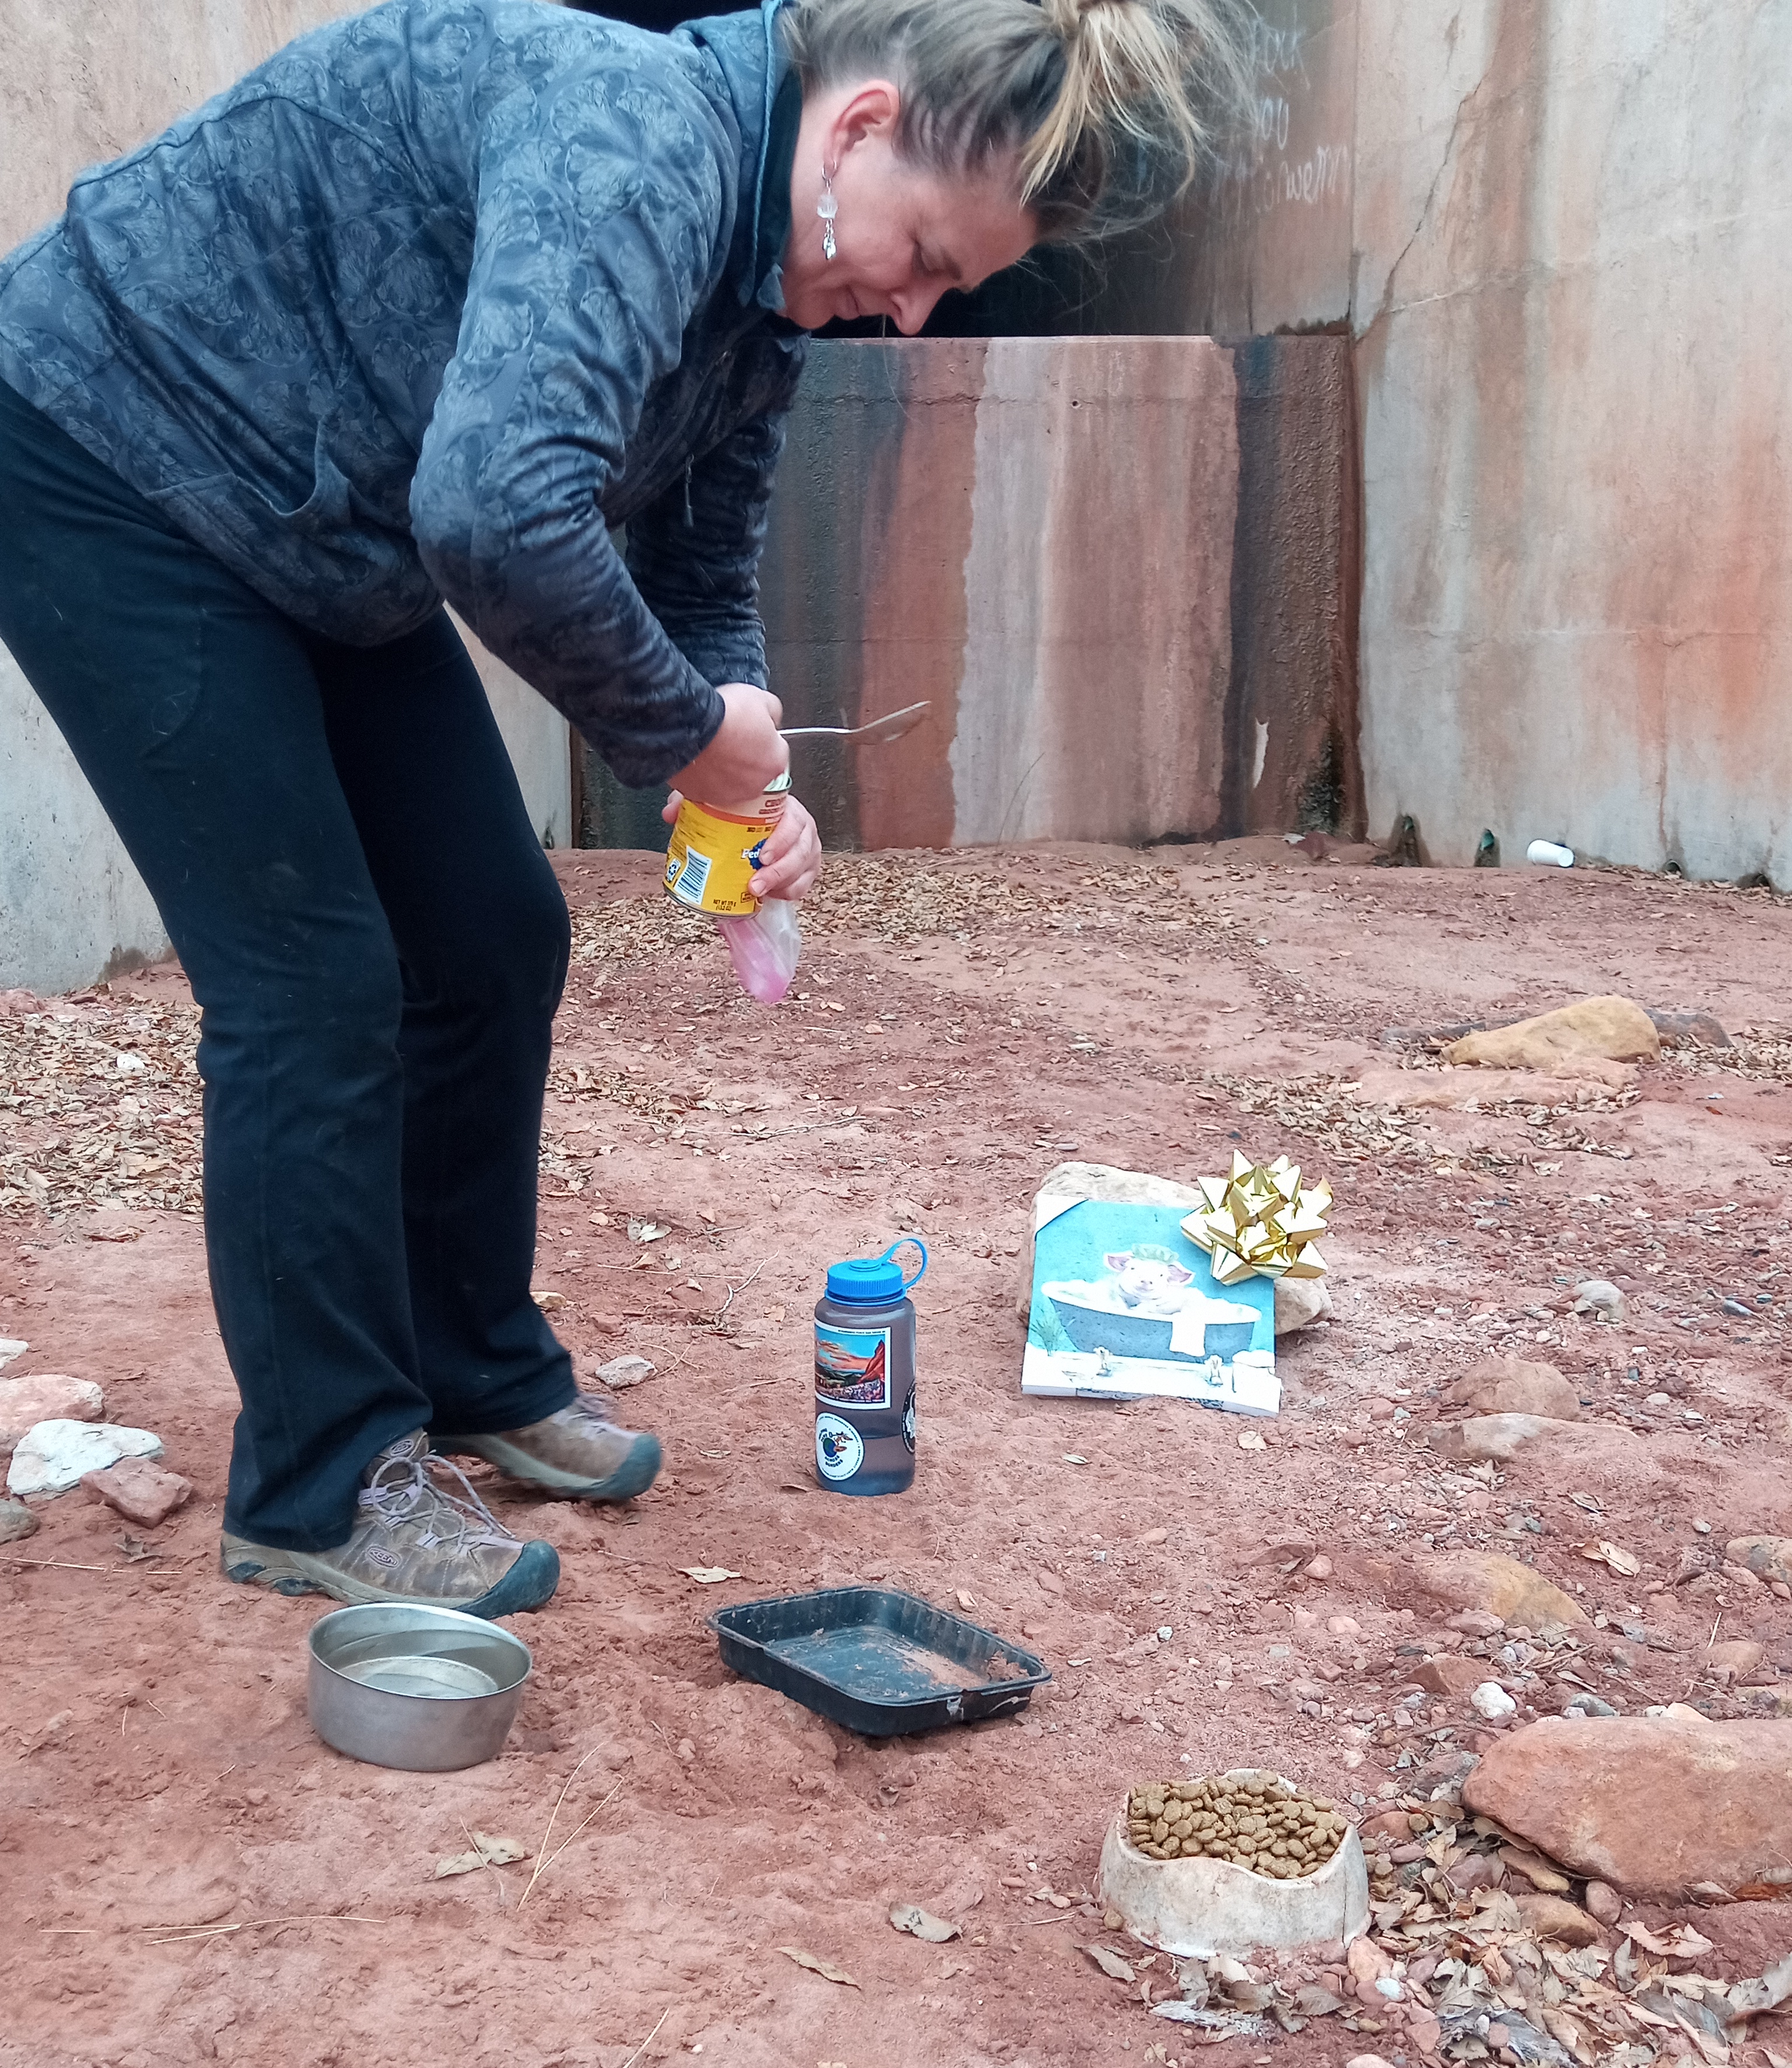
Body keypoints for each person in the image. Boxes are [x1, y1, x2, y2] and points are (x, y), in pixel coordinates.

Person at [0, 0, 1245, 1617]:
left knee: (493, 934)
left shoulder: (763, 313)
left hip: (325, 518)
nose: (916, 314)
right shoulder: (639, 137)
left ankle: (471, 1367)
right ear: (859, 129)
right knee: (312, 986)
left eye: (953, 288)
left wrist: (748, 779)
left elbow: (700, 583)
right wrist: (682, 733)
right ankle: (318, 1488)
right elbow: (497, 511)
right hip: (109, 450)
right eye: (929, 255)